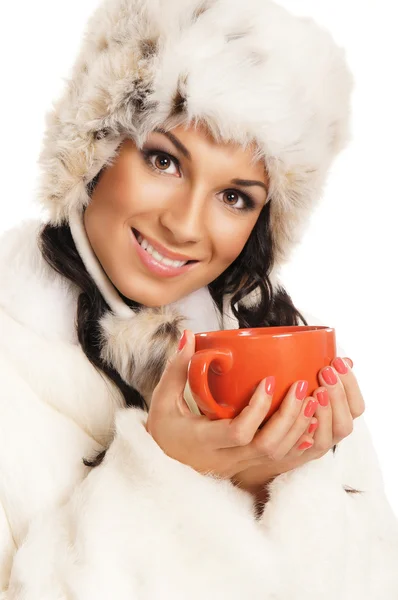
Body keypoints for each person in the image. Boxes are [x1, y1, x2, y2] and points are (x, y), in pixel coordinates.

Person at [0, 0, 397, 597]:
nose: (186, 225)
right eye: (164, 160)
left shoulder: (282, 353)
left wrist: (277, 486)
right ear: (94, 151)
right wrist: (167, 475)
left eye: (236, 196)